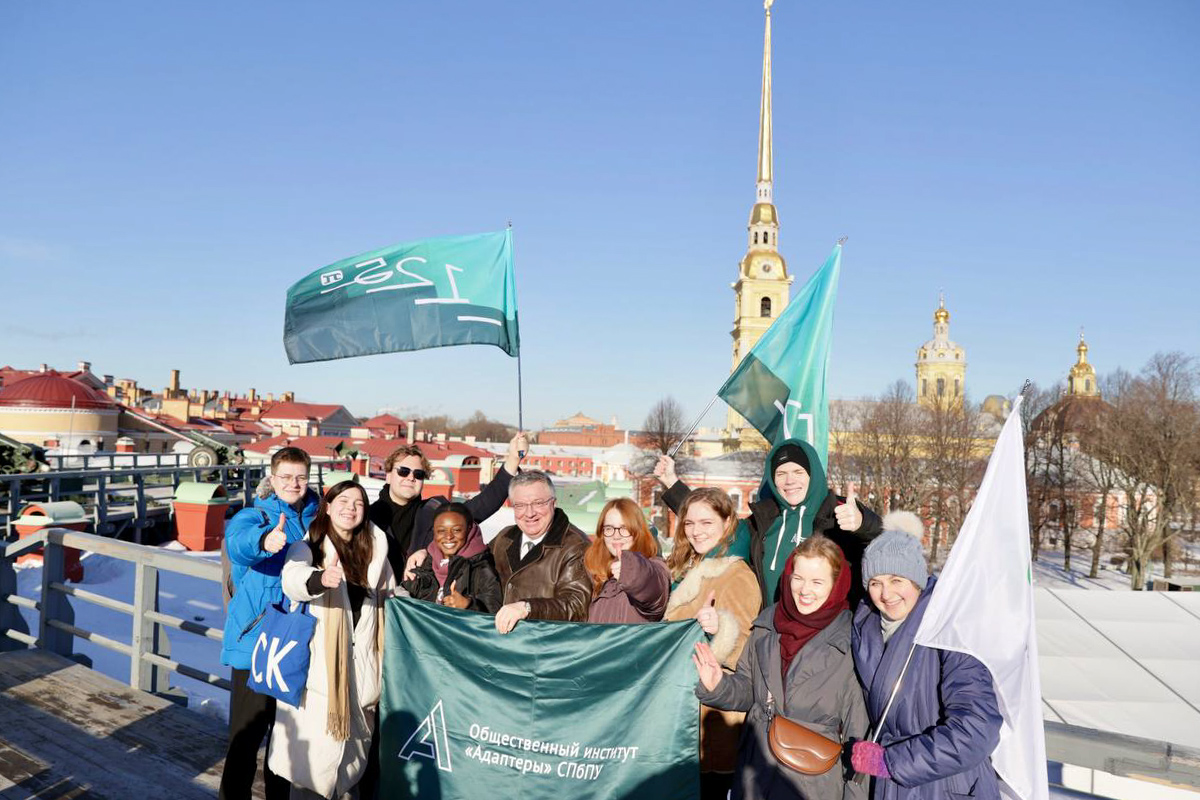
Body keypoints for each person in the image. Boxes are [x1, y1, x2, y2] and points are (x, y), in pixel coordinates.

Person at [693, 535, 869, 800]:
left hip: (812, 785)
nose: (804, 590)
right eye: (798, 578)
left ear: (836, 585)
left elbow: (860, 741)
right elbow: (749, 691)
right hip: (755, 774)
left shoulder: (850, 643)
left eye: (817, 582)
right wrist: (718, 685)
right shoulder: (766, 625)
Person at [849, 512, 1002, 799]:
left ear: (918, 579)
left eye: (897, 580)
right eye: (875, 582)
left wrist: (891, 762)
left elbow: (977, 730)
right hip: (890, 787)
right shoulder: (864, 629)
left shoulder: (951, 630)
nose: (886, 594)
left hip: (949, 786)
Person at [268, 481, 397, 800]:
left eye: (358, 503)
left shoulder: (376, 550)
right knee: (310, 779)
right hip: (318, 682)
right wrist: (320, 579)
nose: (350, 507)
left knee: (348, 780)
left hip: (360, 678)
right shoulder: (309, 545)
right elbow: (292, 580)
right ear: (327, 505)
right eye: (343, 500)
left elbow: (394, 598)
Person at [655, 438, 882, 607]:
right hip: (769, 639)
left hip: (824, 644)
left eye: (798, 471)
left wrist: (863, 523)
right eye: (781, 473)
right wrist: (671, 483)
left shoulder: (838, 515)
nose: (789, 480)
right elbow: (712, 524)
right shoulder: (763, 521)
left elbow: (887, 545)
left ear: (813, 474)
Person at [220, 446, 319, 800]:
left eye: (301, 477)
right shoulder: (256, 515)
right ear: (272, 478)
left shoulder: (317, 517)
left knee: (286, 743)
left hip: (298, 643)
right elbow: (238, 545)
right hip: (257, 642)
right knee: (245, 738)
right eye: (286, 476)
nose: (294, 483)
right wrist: (265, 540)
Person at [663, 487, 762, 800]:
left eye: (706, 523)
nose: (696, 531)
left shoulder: (736, 574)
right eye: (690, 523)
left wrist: (722, 628)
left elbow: (745, 645)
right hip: (681, 715)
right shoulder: (685, 569)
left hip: (711, 724)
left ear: (727, 522)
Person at [370, 431, 527, 577]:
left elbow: (482, 505)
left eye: (418, 474)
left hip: (418, 603)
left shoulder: (435, 512)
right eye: (403, 471)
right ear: (388, 475)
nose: (411, 477)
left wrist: (513, 460)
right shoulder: (368, 517)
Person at [488, 470, 592, 633]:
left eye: (538, 503)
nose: (530, 513)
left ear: (553, 503)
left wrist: (528, 608)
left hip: (543, 649)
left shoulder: (576, 546)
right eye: (520, 505)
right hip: (500, 646)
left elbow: (576, 606)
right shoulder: (504, 538)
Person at [402, 502, 502, 613]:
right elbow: (404, 595)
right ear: (434, 532)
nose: (449, 536)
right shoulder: (423, 563)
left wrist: (469, 605)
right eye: (441, 531)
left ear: (469, 529)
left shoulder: (480, 567)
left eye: (456, 530)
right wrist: (403, 595)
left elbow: (494, 610)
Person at [584, 497, 671, 624]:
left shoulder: (656, 567)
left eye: (624, 528)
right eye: (609, 528)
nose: (616, 535)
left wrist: (630, 570)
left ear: (638, 532)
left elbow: (652, 587)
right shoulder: (598, 571)